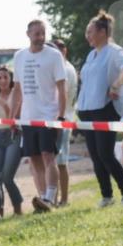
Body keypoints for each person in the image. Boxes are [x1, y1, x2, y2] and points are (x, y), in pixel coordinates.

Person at [75, 10, 123, 207]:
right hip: (86, 111)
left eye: (90, 31)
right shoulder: (91, 55)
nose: (87, 36)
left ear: (102, 31)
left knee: (105, 154)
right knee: (96, 156)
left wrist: (116, 85)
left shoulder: (113, 51)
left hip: (105, 109)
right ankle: (107, 197)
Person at [12, 20, 67, 213]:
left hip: (48, 116)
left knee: (47, 155)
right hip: (28, 117)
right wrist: (14, 117)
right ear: (28, 34)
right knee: (34, 157)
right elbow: (17, 90)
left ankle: (51, 196)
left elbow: (61, 88)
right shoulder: (19, 56)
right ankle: (43, 198)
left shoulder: (54, 55)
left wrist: (60, 117)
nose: (40, 37)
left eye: (42, 33)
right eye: (36, 33)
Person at [0, 66, 24, 219]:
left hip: (13, 134)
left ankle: (17, 209)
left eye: (5, 77)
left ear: (11, 78)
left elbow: (16, 118)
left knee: (7, 176)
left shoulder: (17, 93)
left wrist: (6, 106)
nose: (2, 80)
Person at [51, 39, 78, 205]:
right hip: (62, 117)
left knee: (60, 161)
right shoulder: (64, 68)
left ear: (63, 51)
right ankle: (56, 198)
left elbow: (62, 95)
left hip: (62, 119)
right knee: (57, 161)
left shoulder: (66, 69)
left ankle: (62, 199)